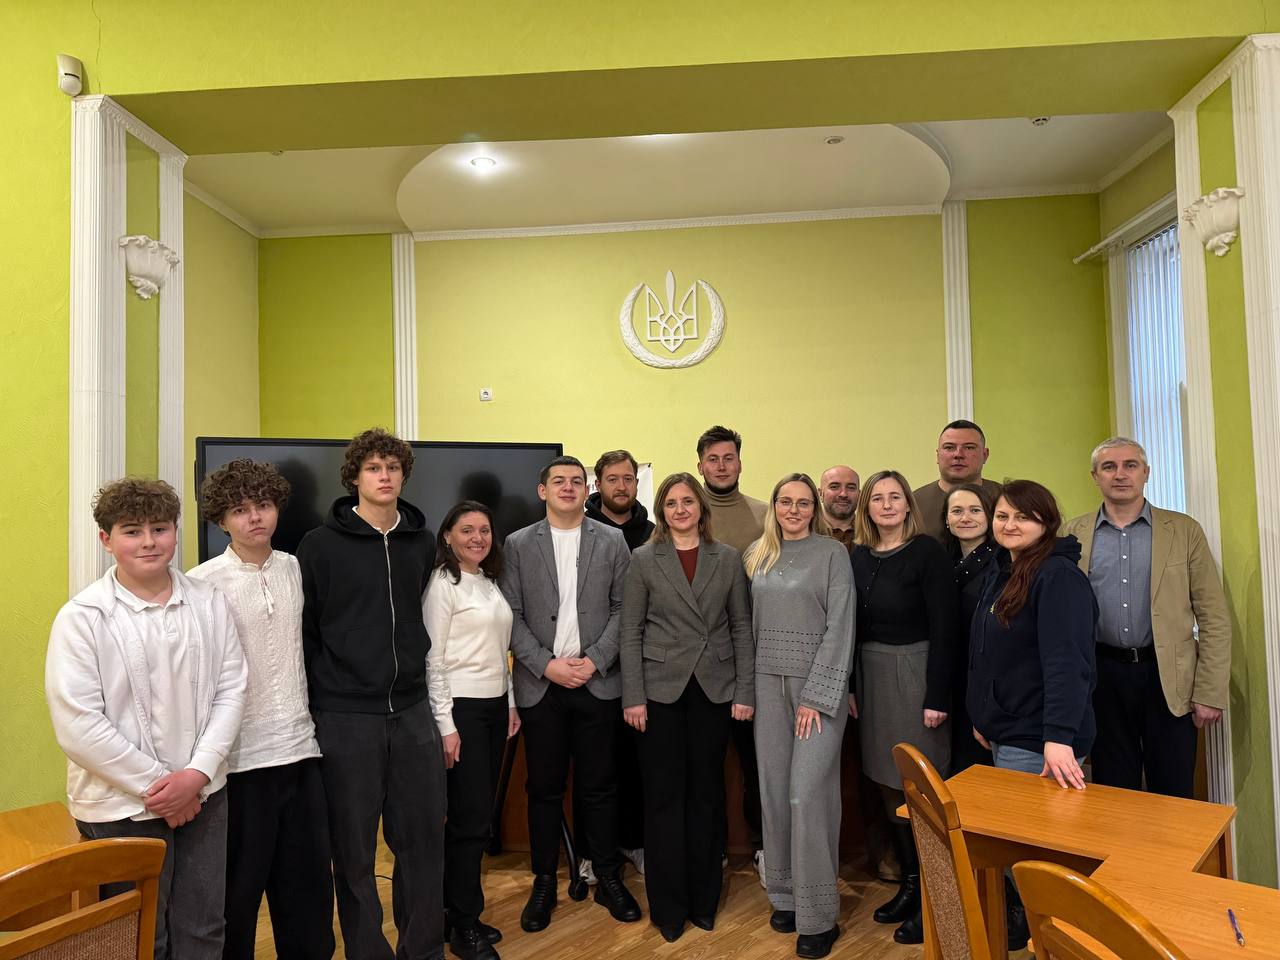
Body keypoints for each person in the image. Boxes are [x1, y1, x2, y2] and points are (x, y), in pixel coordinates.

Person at [46, 478, 247, 960]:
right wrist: (162, 788)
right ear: (106, 539)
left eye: (160, 528)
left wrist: (196, 775)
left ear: (176, 531)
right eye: (132, 531)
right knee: (136, 937)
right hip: (121, 806)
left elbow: (231, 689)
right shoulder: (82, 617)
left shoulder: (209, 601)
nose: (149, 542)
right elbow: (79, 724)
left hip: (204, 795)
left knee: (203, 927)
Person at [297, 428, 446, 960]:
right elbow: (306, 632)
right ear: (355, 477)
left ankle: (422, 950)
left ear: (404, 475)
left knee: (423, 844)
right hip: (345, 718)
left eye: (393, 467)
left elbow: (424, 616)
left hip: (412, 711)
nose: (385, 476)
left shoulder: (422, 542)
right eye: (374, 468)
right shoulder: (318, 546)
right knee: (354, 853)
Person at [189, 460, 334, 960]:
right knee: (237, 897)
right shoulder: (202, 583)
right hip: (239, 763)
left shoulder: (295, 568)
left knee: (308, 894)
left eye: (264, 505)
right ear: (221, 519)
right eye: (240, 510)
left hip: (301, 752)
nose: (255, 518)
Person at [501, 456, 641, 932]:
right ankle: (544, 881)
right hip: (542, 686)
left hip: (597, 682)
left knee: (600, 787)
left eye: (576, 481)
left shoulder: (612, 540)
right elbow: (511, 614)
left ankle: (607, 876)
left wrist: (596, 659)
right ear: (542, 490)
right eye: (558, 481)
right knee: (543, 790)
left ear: (588, 490)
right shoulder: (518, 544)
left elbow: (625, 608)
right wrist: (546, 664)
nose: (568, 487)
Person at [619, 472, 755, 943]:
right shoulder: (643, 559)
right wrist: (633, 696)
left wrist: (745, 691)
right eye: (672, 503)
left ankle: (703, 900)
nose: (680, 509)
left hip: (714, 690)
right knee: (663, 799)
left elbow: (741, 628)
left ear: (701, 508)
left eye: (688, 501)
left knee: (706, 796)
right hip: (659, 693)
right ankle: (669, 907)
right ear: (662, 510)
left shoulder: (728, 558)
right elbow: (630, 631)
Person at [1062, 438, 1230, 798]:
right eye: (1109, 467)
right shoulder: (1072, 534)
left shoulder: (1183, 531)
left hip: (1167, 677)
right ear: (1095, 476)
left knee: (1173, 792)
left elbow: (1213, 615)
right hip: (1101, 678)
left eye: (1130, 465)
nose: (1120, 474)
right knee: (1113, 791)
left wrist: (1210, 691)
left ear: (1146, 473)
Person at [746, 473, 854, 960]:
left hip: (817, 690)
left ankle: (818, 915)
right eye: (786, 501)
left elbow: (840, 625)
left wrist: (817, 694)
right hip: (767, 686)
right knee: (773, 793)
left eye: (804, 502)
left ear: (815, 508)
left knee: (806, 796)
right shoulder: (758, 555)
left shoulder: (832, 554)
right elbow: (749, 626)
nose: (794, 510)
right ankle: (785, 895)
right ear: (774, 506)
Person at [850, 470, 957, 946]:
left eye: (896, 497)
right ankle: (911, 886)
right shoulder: (857, 556)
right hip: (870, 675)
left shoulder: (927, 552)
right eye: (878, 498)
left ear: (909, 505)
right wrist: (850, 686)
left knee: (921, 787)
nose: (888, 505)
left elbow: (946, 627)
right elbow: (849, 626)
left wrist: (938, 695)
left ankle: (936, 897)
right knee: (886, 782)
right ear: (867, 508)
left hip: (915, 674)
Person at [424, 501, 520, 960]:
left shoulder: (489, 581)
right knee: (469, 822)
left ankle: (456, 912)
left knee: (475, 819)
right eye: (467, 530)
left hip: (494, 707)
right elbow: (433, 660)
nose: (477, 538)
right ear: (447, 536)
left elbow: (500, 650)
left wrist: (511, 703)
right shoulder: (442, 585)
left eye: (484, 530)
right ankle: (464, 926)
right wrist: (445, 724)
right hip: (462, 710)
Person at [969, 479, 1097, 783]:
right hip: (1006, 730)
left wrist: (1059, 737)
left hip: (1039, 740)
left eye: (1023, 517)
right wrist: (983, 715)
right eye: (1002, 516)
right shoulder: (1003, 571)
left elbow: (1067, 663)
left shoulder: (1058, 577)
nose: (1010, 525)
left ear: (1047, 522)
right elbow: (987, 654)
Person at [695, 424, 768, 882]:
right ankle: (713, 848)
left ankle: (762, 846)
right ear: (700, 465)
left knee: (756, 763)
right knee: (706, 765)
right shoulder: (687, 515)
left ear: (740, 462)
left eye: (728, 458)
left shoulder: (765, 515)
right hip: (703, 665)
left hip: (756, 660)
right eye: (713, 459)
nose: (721, 466)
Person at [583, 449, 652, 878]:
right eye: (613, 479)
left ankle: (635, 842)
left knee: (638, 764)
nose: (621, 486)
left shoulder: (654, 534)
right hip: (595, 667)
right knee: (597, 768)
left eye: (628, 478)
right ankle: (596, 851)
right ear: (598, 484)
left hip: (644, 668)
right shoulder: (580, 530)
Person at [940, 482, 999, 775]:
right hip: (951, 675)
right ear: (946, 520)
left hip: (985, 678)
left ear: (989, 516)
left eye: (975, 510)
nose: (966, 518)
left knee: (977, 764)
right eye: (957, 511)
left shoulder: (1002, 563)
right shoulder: (942, 561)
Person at [912, 420, 1004, 542]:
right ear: (938, 455)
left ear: (985, 455)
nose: (958, 454)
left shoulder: (1006, 498)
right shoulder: (913, 503)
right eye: (949, 448)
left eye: (969, 447)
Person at [819, 465, 861, 548]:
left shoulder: (873, 533)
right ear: (820, 494)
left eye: (851, 488)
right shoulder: (806, 532)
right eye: (834, 487)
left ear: (859, 494)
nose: (843, 494)